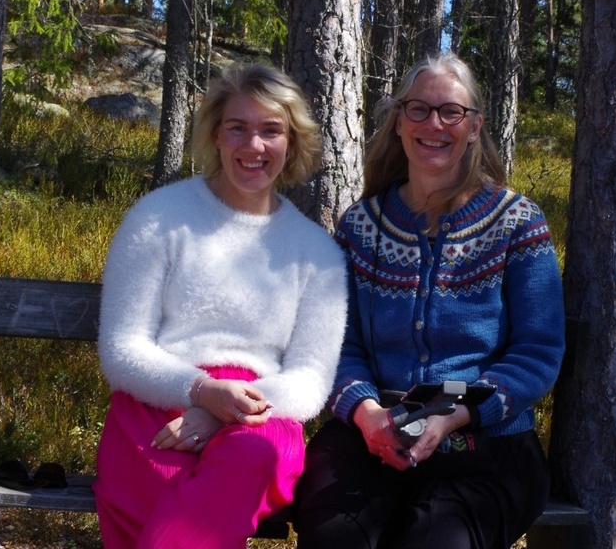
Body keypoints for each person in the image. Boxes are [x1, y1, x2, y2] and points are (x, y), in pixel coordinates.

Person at [293, 53, 565, 549]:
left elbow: (537, 352)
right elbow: (335, 343)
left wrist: (456, 413)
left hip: (487, 442)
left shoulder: (518, 224)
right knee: (334, 536)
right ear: (399, 122)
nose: (433, 124)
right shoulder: (361, 226)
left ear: (474, 126)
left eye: (451, 112)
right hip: (373, 431)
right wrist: (366, 413)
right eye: (418, 109)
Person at [93, 63, 348, 549]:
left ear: (291, 142)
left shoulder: (317, 254)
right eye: (238, 128)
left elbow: (311, 379)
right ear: (215, 134)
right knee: (157, 484)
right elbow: (121, 347)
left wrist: (227, 410)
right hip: (159, 407)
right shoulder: (158, 220)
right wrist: (201, 391)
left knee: (246, 462)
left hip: (265, 417)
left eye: (271, 131)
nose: (254, 146)